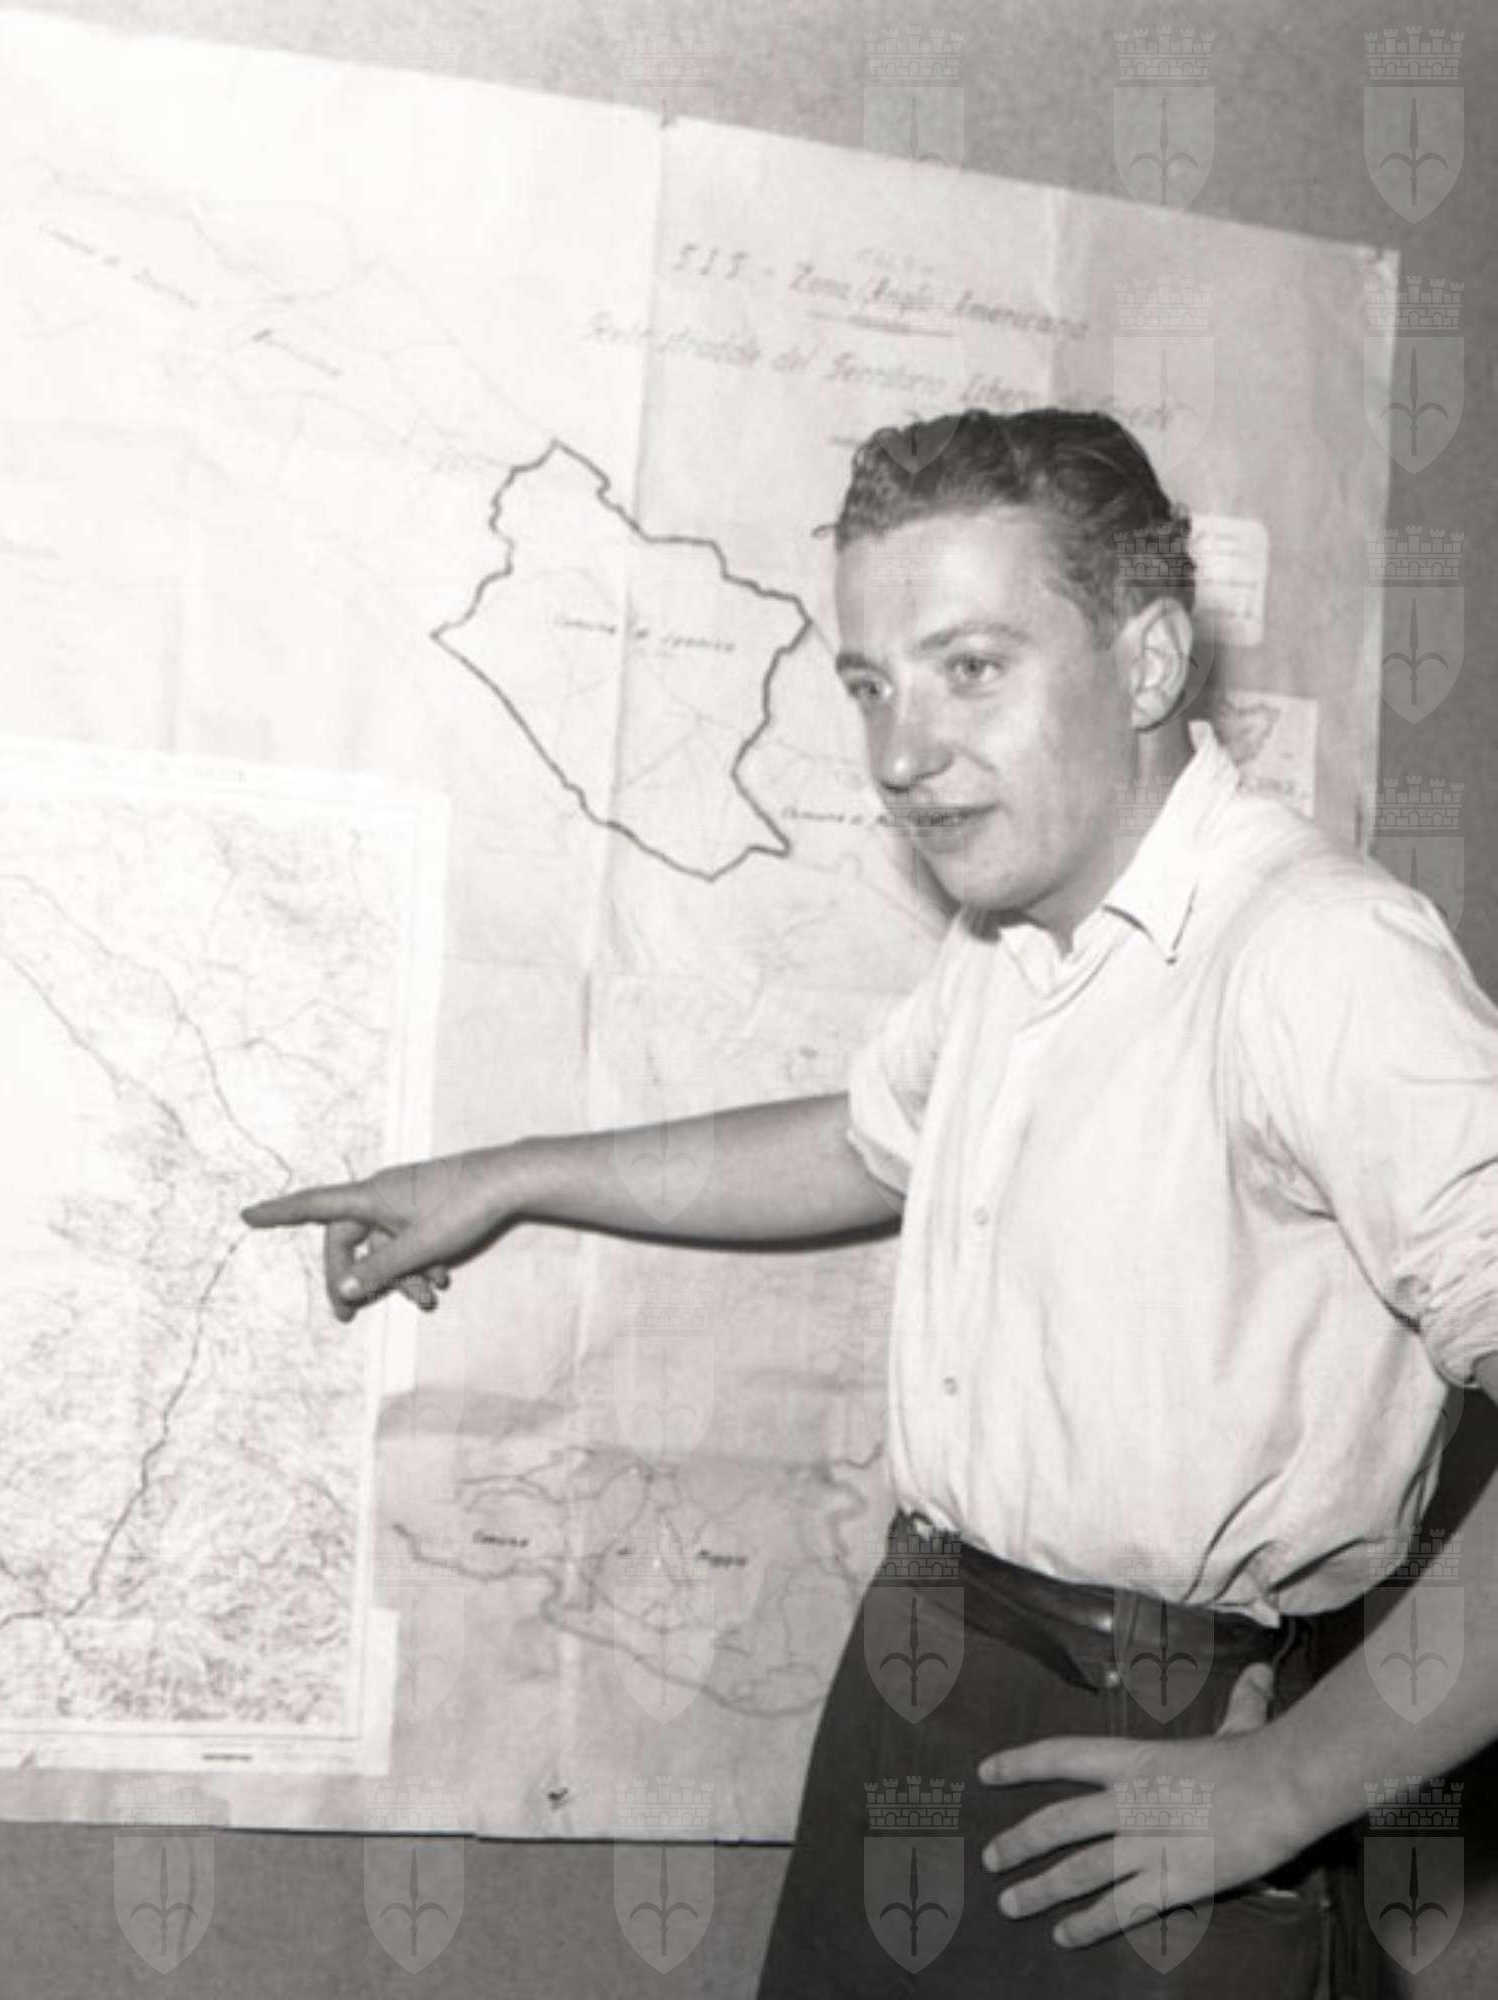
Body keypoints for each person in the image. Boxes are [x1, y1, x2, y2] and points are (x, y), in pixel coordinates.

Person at [241, 407, 1498, 1996]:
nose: (901, 754)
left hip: (1155, 1744)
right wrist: (505, 1180)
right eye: (870, 685)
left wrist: (1292, 1782)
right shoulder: (1019, 932)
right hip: (931, 1665)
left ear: (1150, 661)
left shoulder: (1314, 956)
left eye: (970, 668)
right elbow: (863, 1143)